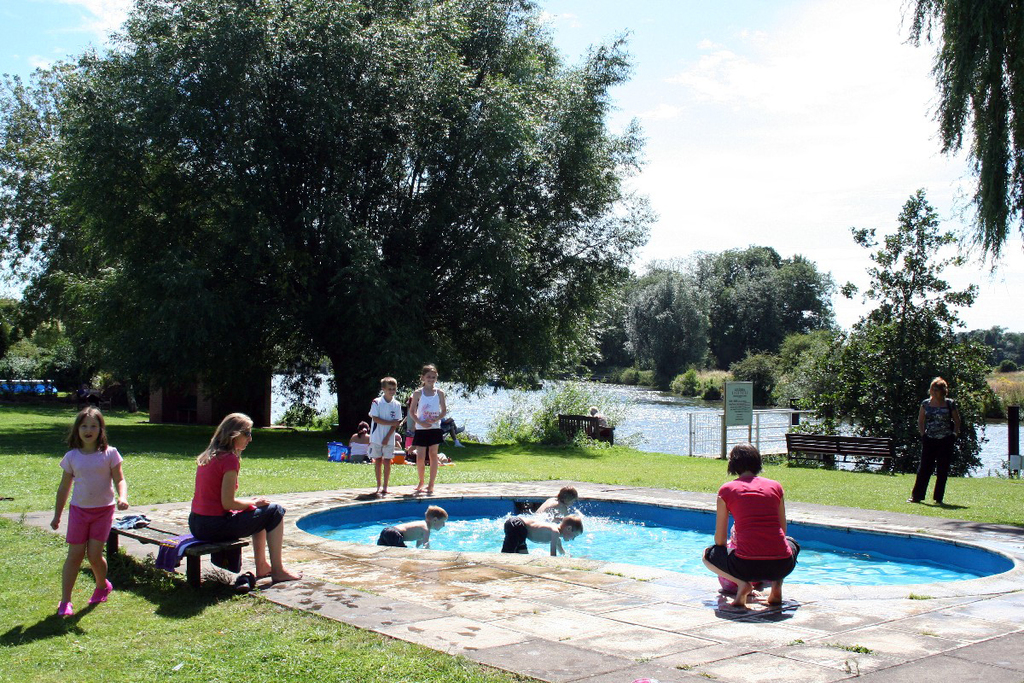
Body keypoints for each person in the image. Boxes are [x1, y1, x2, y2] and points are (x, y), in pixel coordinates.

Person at [188, 413, 301, 584]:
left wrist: (251, 504)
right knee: (274, 511)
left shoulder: (209, 456)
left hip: (196, 523)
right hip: (213, 526)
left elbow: (217, 500)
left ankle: (262, 566)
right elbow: (228, 503)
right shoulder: (229, 460)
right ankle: (278, 570)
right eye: (247, 433)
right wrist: (253, 502)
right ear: (233, 435)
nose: (250, 438)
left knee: (260, 511)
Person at [50, 406, 129, 617]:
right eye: (84, 425)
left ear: (100, 429)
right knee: (74, 555)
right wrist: (57, 515)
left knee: (94, 555)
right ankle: (65, 601)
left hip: (103, 511)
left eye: (93, 426)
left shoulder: (110, 453)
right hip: (79, 512)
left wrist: (123, 497)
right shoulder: (72, 456)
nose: (88, 430)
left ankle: (102, 585)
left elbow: (119, 479)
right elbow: (64, 488)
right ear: (77, 430)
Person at [702, 443, 798, 608]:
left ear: (732, 465)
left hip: (745, 567)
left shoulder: (727, 490)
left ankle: (742, 584)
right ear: (758, 463)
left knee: (708, 555)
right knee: (790, 542)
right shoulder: (775, 487)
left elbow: (720, 541)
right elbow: (782, 531)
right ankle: (776, 586)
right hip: (781, 566)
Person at [909, 377, 962, 505]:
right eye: (934, 389)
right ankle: (917, 496)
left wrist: (954, 434)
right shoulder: (926, 404)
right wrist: (923, 435)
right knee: (924, 468)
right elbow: (920, 421)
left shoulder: (950, 403)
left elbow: (957, 420)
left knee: (942, 469)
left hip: (945, 440)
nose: (936, 392)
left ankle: (938, 498)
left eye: (939, 389)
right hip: (930, 439)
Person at [408, 364, 447, 495]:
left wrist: (435, 420)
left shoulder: (440, 393)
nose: (431, 379)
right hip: (421, 428)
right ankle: (421, 481)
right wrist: (420, 422)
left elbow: (444, 411)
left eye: (433, 377)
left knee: (433, 455)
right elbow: (412, 411)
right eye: (428, 377)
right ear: (423, 378)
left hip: (434, 427)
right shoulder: (418, 393)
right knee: (420, 456)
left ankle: (431, 484)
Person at [369, 377, 403, 497]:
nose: (392, 391)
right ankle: (378, 485)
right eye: (389, 389)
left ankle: (385, 486)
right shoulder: (376, 402)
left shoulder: (397, 404)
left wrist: (388, 437)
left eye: (394, 389)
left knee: (387, 461)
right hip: (376, 436)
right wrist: (391, 423)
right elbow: (375, 418)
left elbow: (396, 423)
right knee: (377, 460)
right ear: (383, 389)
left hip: (389, 437)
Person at [501, 514, 583, 556]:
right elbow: (553, 556)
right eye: (574, 535)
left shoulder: (557, 539)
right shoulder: (555, 532)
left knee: (524, 558)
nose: (573, 539)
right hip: (517, 524)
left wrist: (575, 558)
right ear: (568, 528)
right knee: (507, 555)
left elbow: (562, 553)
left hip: (521, 530)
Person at [377, 505, 448, 548]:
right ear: (435, 520)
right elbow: (426, 545)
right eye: (443, 522)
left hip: (387, 531)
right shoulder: (426, 529)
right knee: (402, 555)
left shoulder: (422, 526)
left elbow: (418, 546)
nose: (444, 525)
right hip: (395, 534)